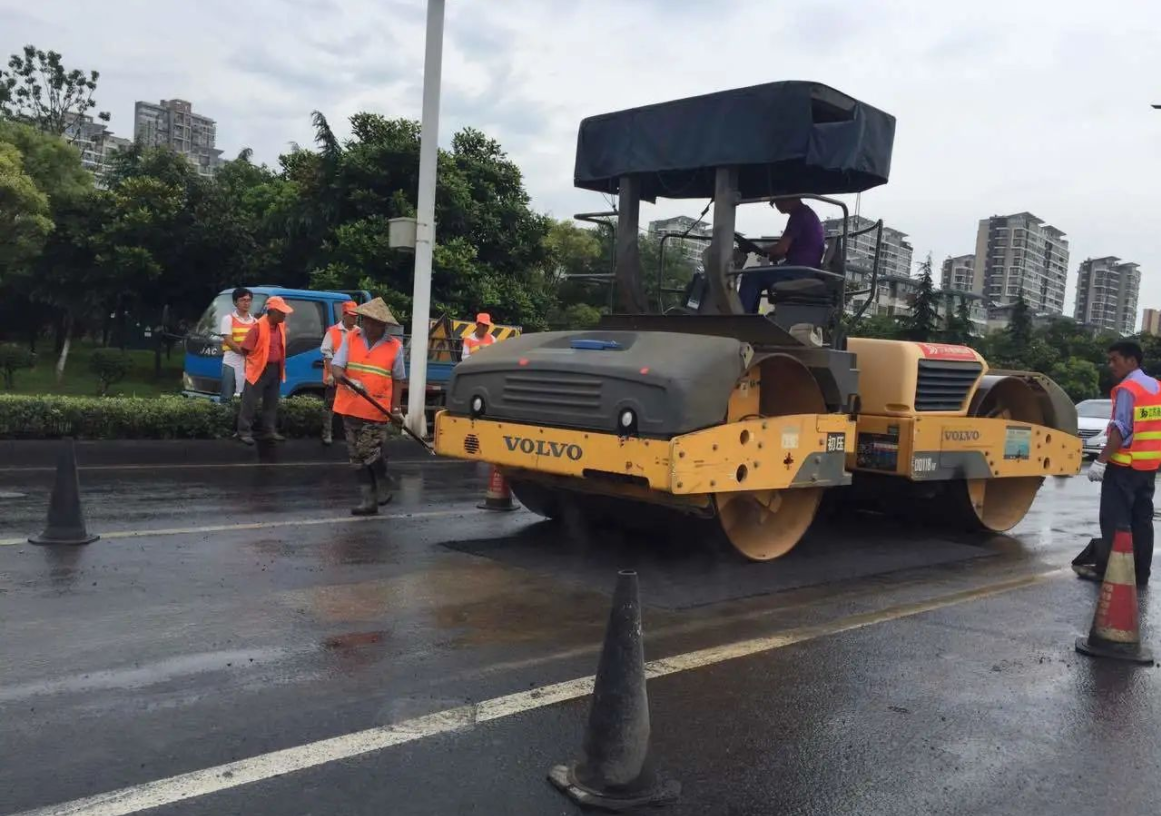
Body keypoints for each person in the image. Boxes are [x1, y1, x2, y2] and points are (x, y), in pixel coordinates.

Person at [1074, 340, 1160, 586]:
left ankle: (1112, 575)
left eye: (1115, 359)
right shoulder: (1156, 387)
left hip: (1123, 468)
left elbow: (1120, 429)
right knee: (1142, 522)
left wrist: (1100, 461)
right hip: (1147, 468)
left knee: (1115, 521)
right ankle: (1140, 575)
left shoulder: (1128, 389)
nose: (1110, 365)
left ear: (1131, 361)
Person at [331, 298, 406, 515]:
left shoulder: (395, 347)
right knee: (356, 457)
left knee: (368, 450)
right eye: (368, 322)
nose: (371, 326)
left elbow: (398, 379)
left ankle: (383, 480)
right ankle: (368, 500)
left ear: (384, 325)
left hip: (376, 409)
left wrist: (396, 409)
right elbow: (336, 367)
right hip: (350, 405)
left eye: (376, 323)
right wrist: (347, 379)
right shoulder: (352, 338)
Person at [738, 198, 826, 314]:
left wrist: (761, 249)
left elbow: (781, 248)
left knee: (751, 275)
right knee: (755, 275)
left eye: (777, 202)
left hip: (799, 271)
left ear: (789, 198)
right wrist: (772, 254)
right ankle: (750, 318)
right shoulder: (805, 214)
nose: (777, 206)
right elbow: (785, 250)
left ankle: (742, 319)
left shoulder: (799, 216)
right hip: (804, 269)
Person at [236, 295, 294, 446]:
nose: (284, 315)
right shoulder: (257, 327)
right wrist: (256, 361)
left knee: (271, 402)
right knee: (249, 402)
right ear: (272, 311)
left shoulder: (280, 326)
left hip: (275, 368)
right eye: (281, 312)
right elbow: (245, 349)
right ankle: (244, 432)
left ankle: (268, 431)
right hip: (258, 369)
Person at [320, 300, 361, 446]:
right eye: (351, 315)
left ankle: (348, 433)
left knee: (350, 406)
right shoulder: (333, 331)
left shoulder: (359, 332)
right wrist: (331, 374)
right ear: (344, 315)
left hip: (351, 377)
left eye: (355, 316)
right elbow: (327, 353)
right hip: (335, 375)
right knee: (330, 405)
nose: (353, 318)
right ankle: (327, 433)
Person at [218, 287, 256, 402]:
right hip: (231, 361)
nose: (246, 303)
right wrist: (244, 352)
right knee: (227, 395)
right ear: (235, 302)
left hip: (249, 362)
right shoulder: (228, 319)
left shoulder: (255, 322)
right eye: (242, 300)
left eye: (248, 300)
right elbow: (229, 341)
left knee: (246, 396)